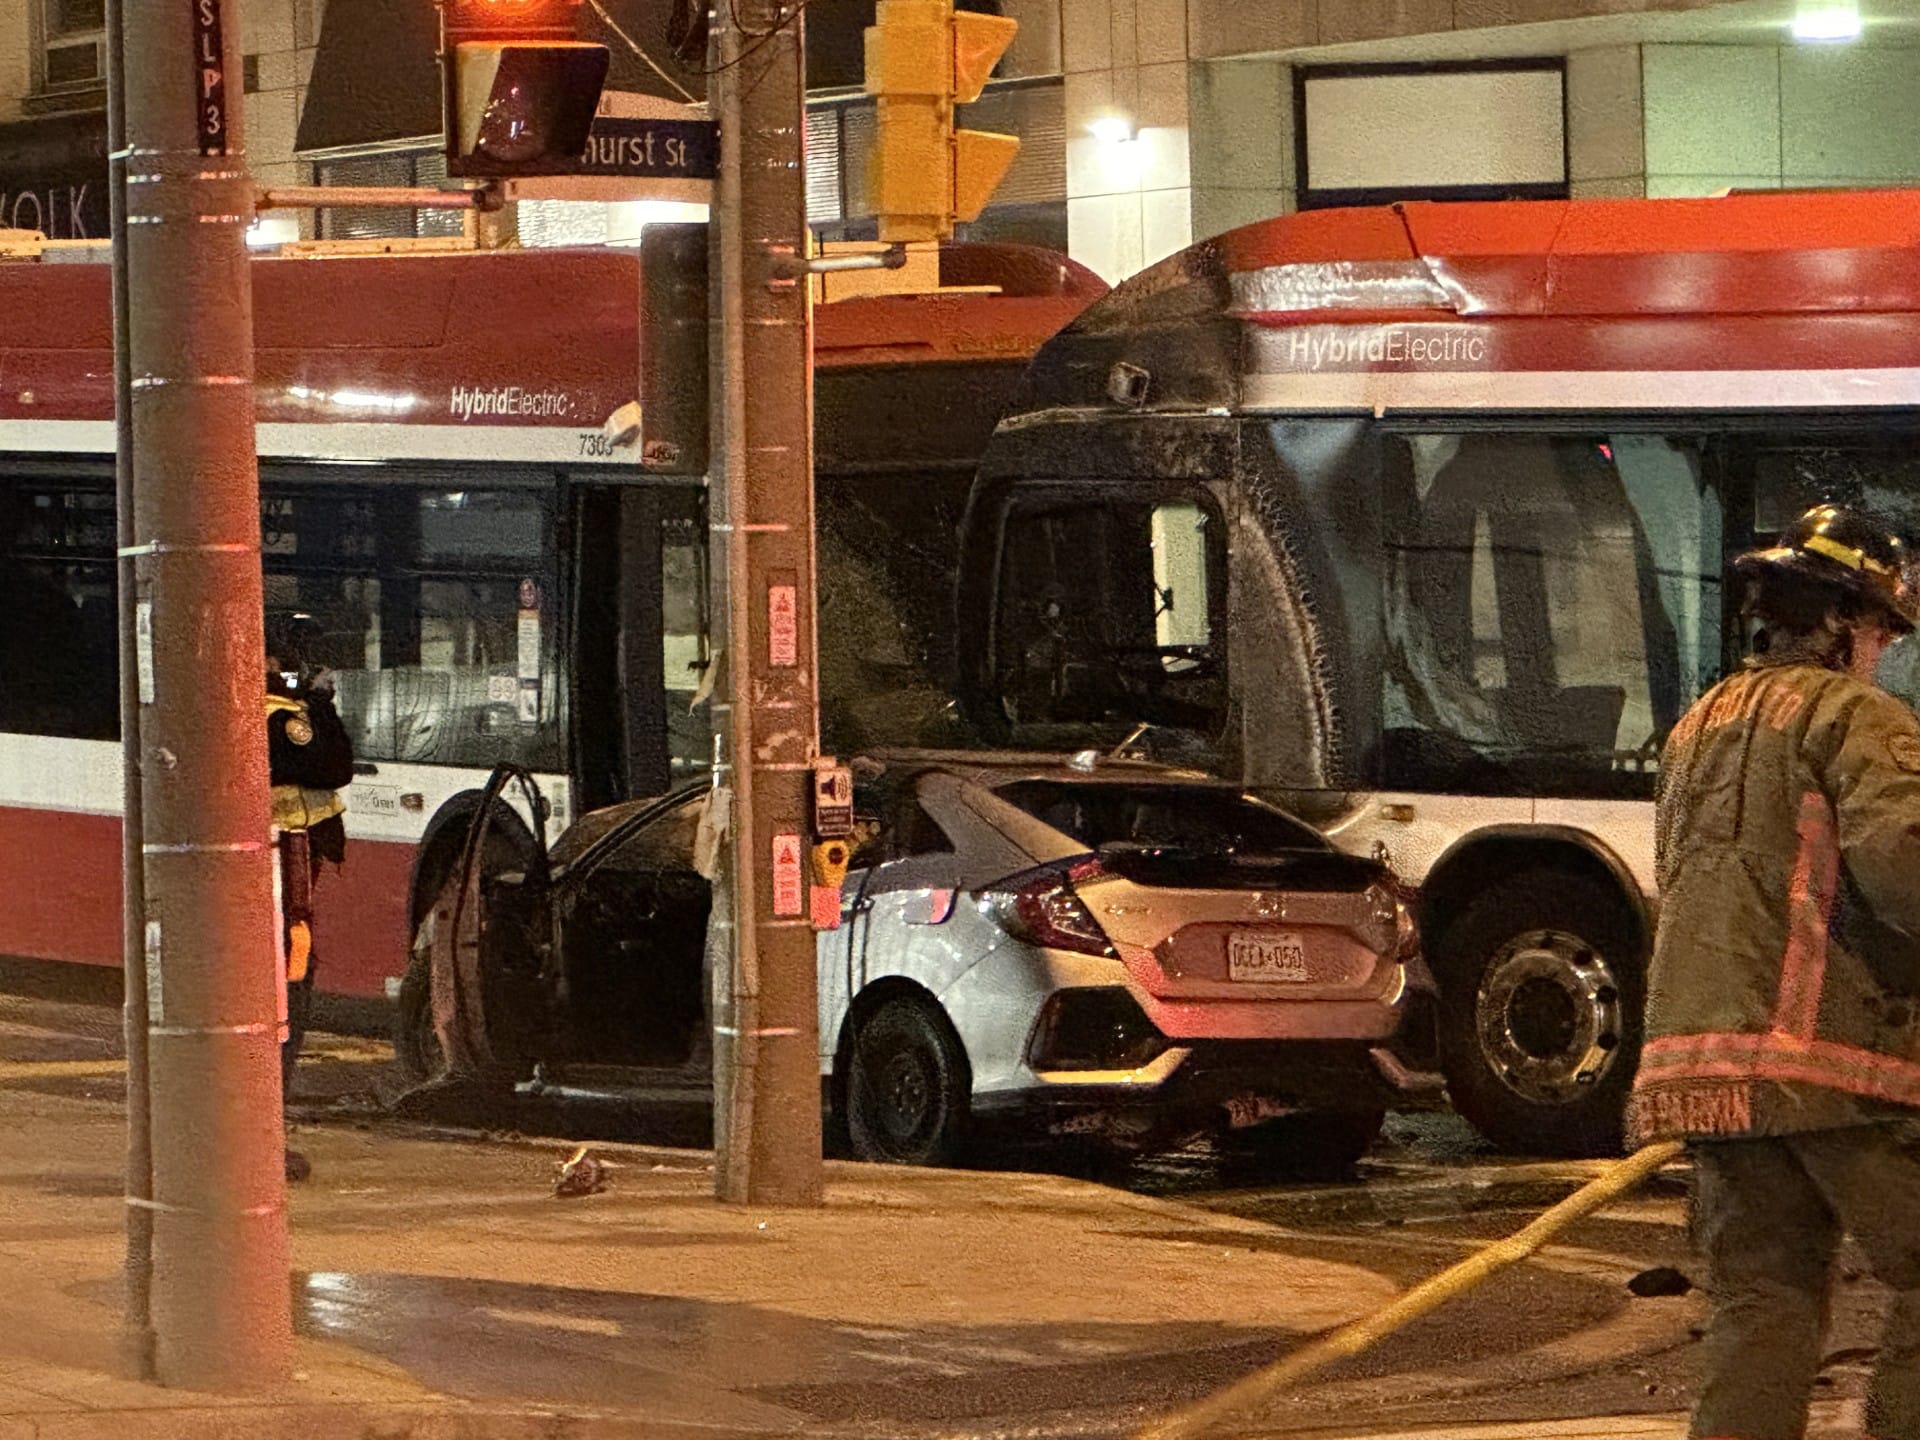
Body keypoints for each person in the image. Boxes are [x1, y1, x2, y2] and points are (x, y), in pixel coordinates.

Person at [1630, 503, 1920, 1440]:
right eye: (1880, 628)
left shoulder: (1696, 725)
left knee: (1763, 1305)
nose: (1882, 648)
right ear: (1842, 623)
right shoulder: (1858, 717)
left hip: (1706, 1076)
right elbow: (1903, 860)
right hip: (1837, 1064)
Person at [266, 620, 354, 1181]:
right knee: (283, 999)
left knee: (287, 994)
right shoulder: (279, 714)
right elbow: (331, 766)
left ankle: (265, 1129)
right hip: (278, 878)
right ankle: (263, 1134)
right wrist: (317, 703)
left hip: (283, 880)